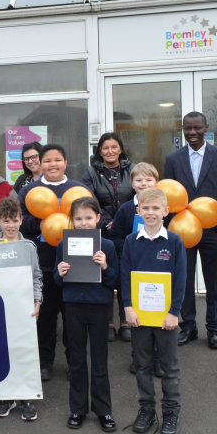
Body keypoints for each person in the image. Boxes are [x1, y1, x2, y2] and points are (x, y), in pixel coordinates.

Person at [18, 143, 99, 381]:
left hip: (75, 264)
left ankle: (75, 362)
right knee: (46, 316)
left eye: (57, 160)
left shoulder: (79, 188)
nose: (52, 164)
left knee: (73, 317)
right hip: (42, 262)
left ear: (65, 163)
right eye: (47, 160)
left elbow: (96, 218)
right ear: (39, 164)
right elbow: (19, 220)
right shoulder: (30, 191)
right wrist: (39, 224)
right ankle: (45, 363)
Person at [164, 112, 217, 349]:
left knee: (213, 282)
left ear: (206, 127)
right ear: (182, 129)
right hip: (183, 229)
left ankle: (214, 329)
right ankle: (188, 327)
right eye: (187, 129)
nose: (192, 133)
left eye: (197, 128)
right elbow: (170, 195)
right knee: (183, 280)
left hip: (213, 230)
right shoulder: (173, 159)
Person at [121, 188, 186, 434]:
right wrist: (127, 306)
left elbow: (180, 280)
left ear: (166, 212)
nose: (150, 212)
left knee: (169, 366)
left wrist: (174, 312)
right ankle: (146, 409)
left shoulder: (174, 242)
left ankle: (171, 412)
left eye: (155, 208)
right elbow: (126, 276)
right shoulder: (130, 241)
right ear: (138, 211)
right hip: (139, 318)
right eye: (145, 208)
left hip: (165, 319)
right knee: (142, 364)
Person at [55, 197, 119, 432]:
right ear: (72, 220)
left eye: (88, 218)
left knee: (100, 361)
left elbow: (115, 281)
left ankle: (104, 411)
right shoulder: (64, 244)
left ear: (98, 219)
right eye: (79, 219)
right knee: (77, 361)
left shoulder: (108, 246)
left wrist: (105, 267)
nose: (83, 223)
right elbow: (56, 282)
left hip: (100, 308)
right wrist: (60, 273)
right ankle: (78, 409)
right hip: (73, 308)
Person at [0, 197, 42, 421]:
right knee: (2, 351)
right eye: (6, 221)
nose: (10, 225)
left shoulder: (28, 247)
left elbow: (37, 277)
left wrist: (37, 301)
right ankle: (7, 396)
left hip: (24, 307)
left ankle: (27, 396)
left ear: (21, 221)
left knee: (24, 351)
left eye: (15, 220)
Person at [109, 163, 164, 377]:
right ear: (132, 184)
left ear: (156, 182)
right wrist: (135, 248)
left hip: (159, 269)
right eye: (139, 180)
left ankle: (158, 359)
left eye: (149, 180)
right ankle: (139, 358)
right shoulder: (125, 209)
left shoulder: (164, 208)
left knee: (157, 314)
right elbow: (115, 238)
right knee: (138, 318)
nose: (144, 184)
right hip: (135, 268)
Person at [82, 132, 135, 343]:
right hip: (101, 231)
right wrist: (105, 221)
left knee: (124, 275)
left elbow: (138, 195)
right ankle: (108, 323)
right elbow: (88, 198)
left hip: (126, 232)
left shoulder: (132, 169)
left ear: (120, 149)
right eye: (105, 148)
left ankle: (126, 322)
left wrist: (120, 220)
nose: (110, 151)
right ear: (100, 151)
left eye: (114, 147)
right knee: (103, 275)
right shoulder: (91, 172)